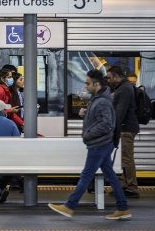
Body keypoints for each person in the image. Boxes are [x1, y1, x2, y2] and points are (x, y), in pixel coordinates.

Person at [49, 69, 131, 220]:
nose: (85, 86)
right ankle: (123, 207)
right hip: (101, 144)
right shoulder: (98, 99)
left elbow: (107, 124)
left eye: (88, 83)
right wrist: (86, 113)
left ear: (97, 84)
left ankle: (69, 206)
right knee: (111, 177)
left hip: (99, 144)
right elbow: (99, 118)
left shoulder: (103, 101)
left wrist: (88, 134)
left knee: (86, 175)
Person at [106, 66, 140, 198]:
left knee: (126, 158)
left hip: (126, 129)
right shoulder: (122, 88)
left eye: (109, 77)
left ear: (116, 76)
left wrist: (112, 128)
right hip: (124, 128)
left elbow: (120, 112)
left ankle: (131, 187)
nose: (108, 80)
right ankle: (124, 185)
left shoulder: (125, 89)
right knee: (123, 159)